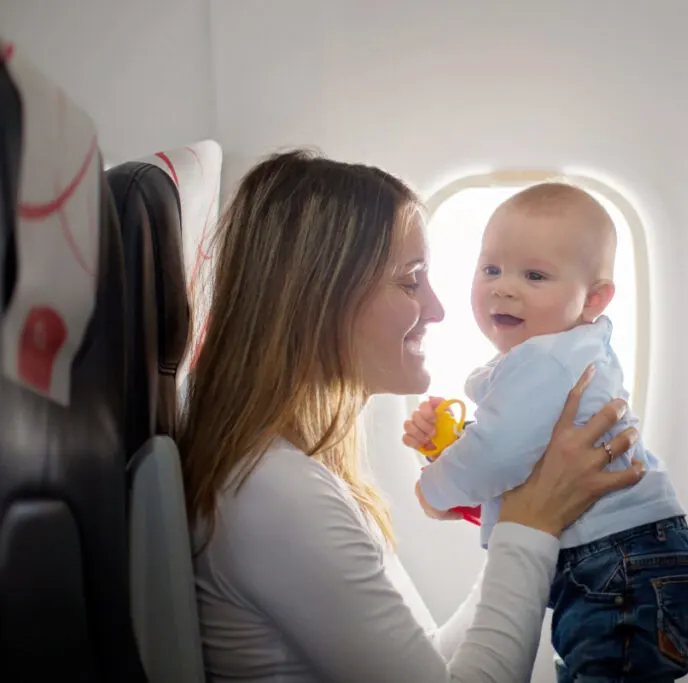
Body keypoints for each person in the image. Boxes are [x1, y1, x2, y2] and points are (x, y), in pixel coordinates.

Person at [176, 150, 646, 683]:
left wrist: (531, 510)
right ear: (319, 297)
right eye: (410, 281)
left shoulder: (300, 472)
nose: (439, 309)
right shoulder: (273, 491)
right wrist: (529, 523)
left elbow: (429, 661)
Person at [403, 182, 688, 681]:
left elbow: (499, 453)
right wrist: (451, 448)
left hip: (619, 560)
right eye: (491, 269)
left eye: (535, 275)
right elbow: (522, 467)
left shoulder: (545, 362)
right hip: (628, 561)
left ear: (593, 298)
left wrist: (433, 487)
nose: (504, 287)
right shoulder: (555, 355)